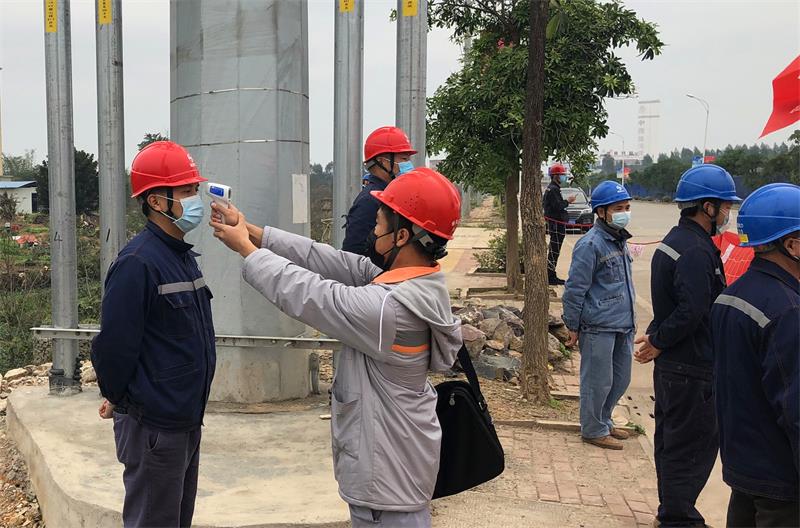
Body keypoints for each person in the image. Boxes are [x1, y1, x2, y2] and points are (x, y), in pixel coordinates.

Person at [210, 168, 462, 527]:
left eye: (379, 224)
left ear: (402, 236)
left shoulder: (387, 310)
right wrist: (252, 231)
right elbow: (327, 260)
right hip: (397, 467)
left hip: (385, 486)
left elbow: (312, 294)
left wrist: (246, 250)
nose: (372, 231)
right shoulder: (417, 285)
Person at [91, 141, 216, 528]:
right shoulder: (138, 263)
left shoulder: (181, 256)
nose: (195, 199)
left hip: (185, 419)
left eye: (194, 189)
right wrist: (119, 398)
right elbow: (113, 348)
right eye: (186, 191)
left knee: (175, 519)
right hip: (155, 426)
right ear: (157, 201)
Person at [635, 164, 742, 527]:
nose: (727, 213)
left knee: (672, 444)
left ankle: (671, 512)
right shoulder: (695, 250)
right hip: (692, 369)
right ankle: (678, 519)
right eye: (725, 206)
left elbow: (671, 303)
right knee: (691, 447)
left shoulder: (676, 241)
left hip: (677, 367)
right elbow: (692, 310)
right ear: (707, 207)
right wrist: (659, 341)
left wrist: (656, 337)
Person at [710, 183, 799, 528]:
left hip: (745, 468)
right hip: (783, 482)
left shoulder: (732, 295)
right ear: (791, 245)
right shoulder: (788, 311)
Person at [562, 181, 635, 450]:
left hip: (623, 325)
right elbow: (575, 288)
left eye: (626, 207)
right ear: (601, 212)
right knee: (597, 382)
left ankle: (604, 420)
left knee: (620, 379)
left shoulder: (620, 240)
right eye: (618, 208)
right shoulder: (590, 244)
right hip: (598, 327)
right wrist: (572, 325)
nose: (624, 213)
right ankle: (593, 429)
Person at [341, 126, 416, 255]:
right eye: (404, 159)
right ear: (383, 161)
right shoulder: (369, 201)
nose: (409, 164)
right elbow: (353, 253)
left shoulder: (390, 194)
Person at [543, 162, 576, 285]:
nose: (563, 177)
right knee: (554, 251)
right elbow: (558, 206)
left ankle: (551, 274)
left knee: (554, 251)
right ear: (555, 176)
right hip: (556, 225)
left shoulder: (552, 188)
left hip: (556, 224)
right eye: (561, 175)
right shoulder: (553, 189)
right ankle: (550, 276)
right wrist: (568, 201)